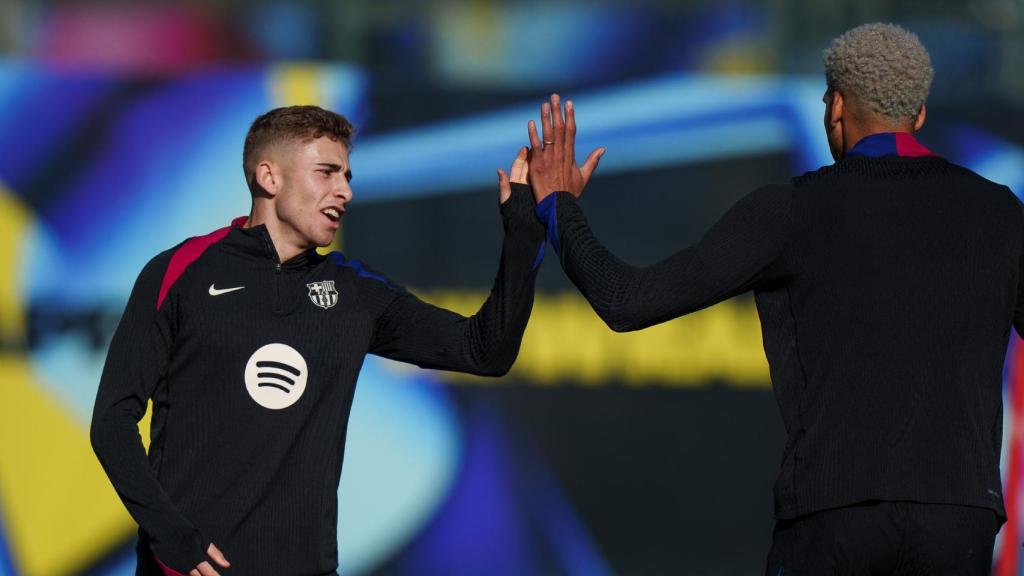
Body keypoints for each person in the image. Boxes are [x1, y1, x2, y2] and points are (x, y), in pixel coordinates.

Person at [528, 23, 1015, 573]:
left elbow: (625, 301)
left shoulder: (790, 211)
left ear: (834, 108)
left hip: (834, 518)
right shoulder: (999, 214)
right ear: (920, 114)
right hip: (958, 521)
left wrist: (559, 207)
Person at [91, 105, 546, 576]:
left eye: (347, 175)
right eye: (327, 172)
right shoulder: (178, 273)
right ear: (269, 177)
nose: (345, 190)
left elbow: (484, 351)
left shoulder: (356, 292)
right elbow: (112, 422)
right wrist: (174, 539)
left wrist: (523, 237)